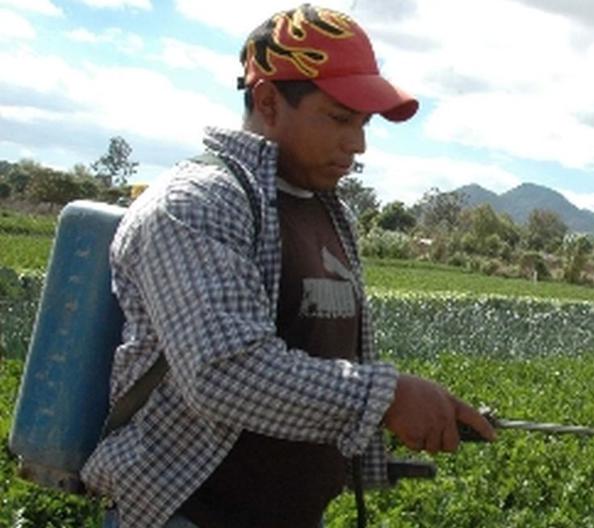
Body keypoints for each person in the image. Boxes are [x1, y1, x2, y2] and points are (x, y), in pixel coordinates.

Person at [81, 5, 495, 527]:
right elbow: (222, 373)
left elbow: (323, 354)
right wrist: (386, 396)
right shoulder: (197, 204)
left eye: (364, 124)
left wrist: (393, 414)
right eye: (340, 118)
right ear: (269, 101)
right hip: (186, 515)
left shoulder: (329, 209)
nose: (358, 144)